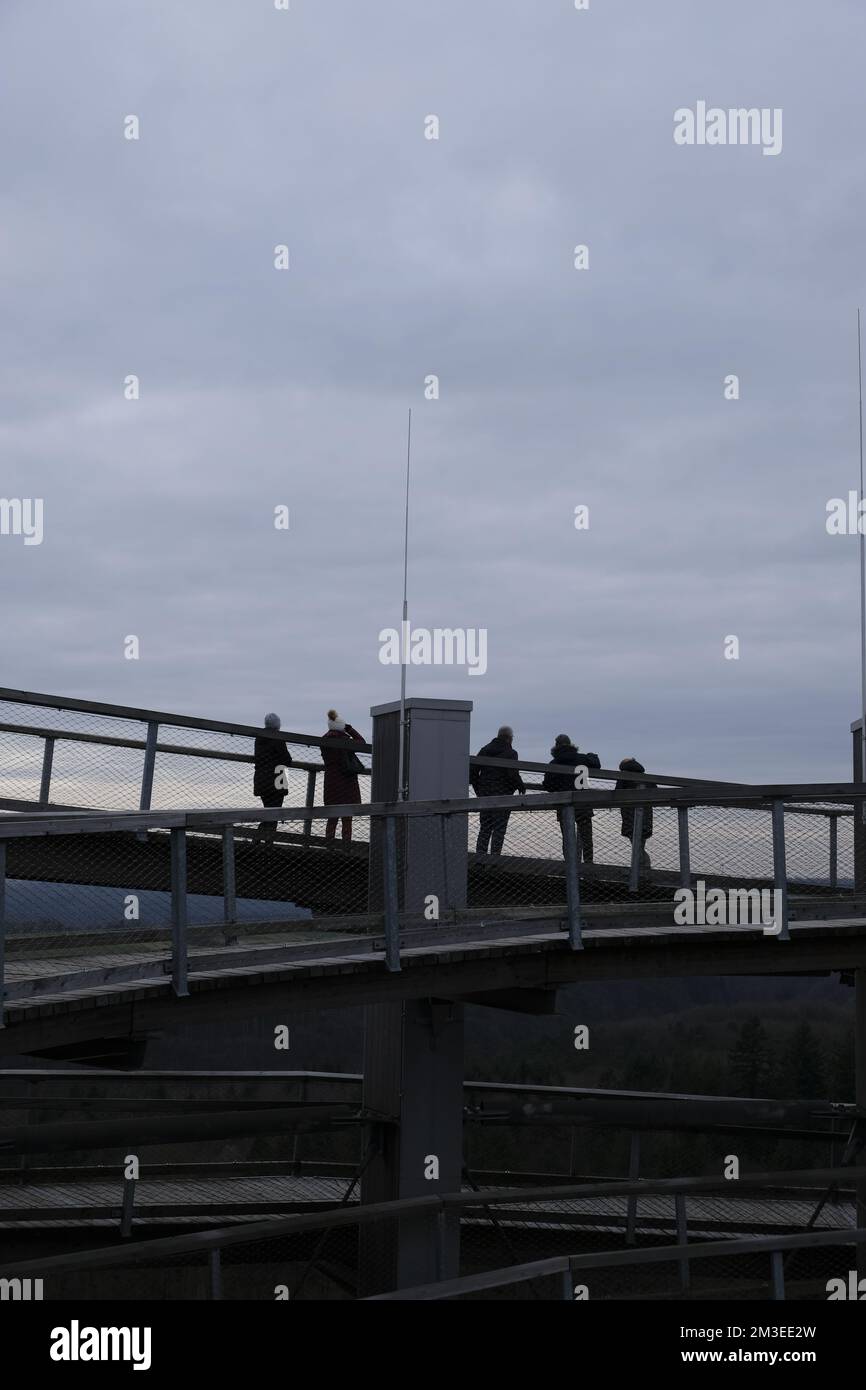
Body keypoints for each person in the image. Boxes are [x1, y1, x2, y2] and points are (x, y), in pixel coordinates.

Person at [542, 734, 601, 862]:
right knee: (586, 837)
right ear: (570, 744)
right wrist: (592, 755)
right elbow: (596, 764)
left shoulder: (554, 763)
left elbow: (548, 785)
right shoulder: (582, 759)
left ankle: (571, 865)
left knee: (568, 838)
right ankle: (588, 865)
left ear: (556, 746)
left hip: (564, 804)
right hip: (583, 803)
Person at [470, 726, 526, 861]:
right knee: (499, 829)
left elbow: (472, 772)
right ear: (509, 738)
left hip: (485, 795)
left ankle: (480, 858)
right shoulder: (511, 753)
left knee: (485, 827)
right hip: (502, 796)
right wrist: (519, 786)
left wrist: (479, 790)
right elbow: (512, 773)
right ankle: (495, 860)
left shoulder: (484, 750)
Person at [321, 710, 366, 843]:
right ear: (341, 726)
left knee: (332, 817)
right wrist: (350, 729)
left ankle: (329, 845)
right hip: (347, 782)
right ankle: (346, 846)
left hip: (331, 781)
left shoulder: (323, 741)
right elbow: (362, 742)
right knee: (347, 818)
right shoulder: (346, 741)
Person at [253, 713, 292, 844]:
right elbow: (287, 760)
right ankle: (267, 842)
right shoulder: (278, 738)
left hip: (262, 779)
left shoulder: (259, 738)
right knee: (275, 812)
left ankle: (257, 840)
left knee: (267, 811)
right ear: (278, 725)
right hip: (278, 779)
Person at [616, 756, 654, 867]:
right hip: (646, 816)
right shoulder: (645, 776)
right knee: (639, 845)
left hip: (630, 816)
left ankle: (642, 868)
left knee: (636, 846)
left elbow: (617, 793)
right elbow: (655, 791)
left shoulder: (623, 776)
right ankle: (640, 868)